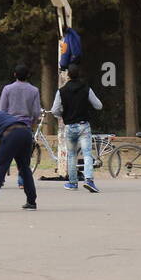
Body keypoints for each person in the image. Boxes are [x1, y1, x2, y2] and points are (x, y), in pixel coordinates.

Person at [49, 61, 103, 193]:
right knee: (87, 154)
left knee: (72, 154)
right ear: (79, 74)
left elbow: (54, 110)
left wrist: (63, 114)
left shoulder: (61, 91)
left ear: (68, 75)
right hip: (84, 126)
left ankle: (73, 182)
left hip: (70, 126)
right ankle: (89, 180)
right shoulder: (86, 88)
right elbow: (98, 105)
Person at [0, 63, 41, 188]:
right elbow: (36, 112)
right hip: (25, 127)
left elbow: (2, 110)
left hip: (9, 126)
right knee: (24, 157)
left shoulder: (7, 89)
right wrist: (32, 123)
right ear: (28, 75)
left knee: (3, 156)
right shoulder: (34, 90)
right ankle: (22, 182)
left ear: (15, 75)